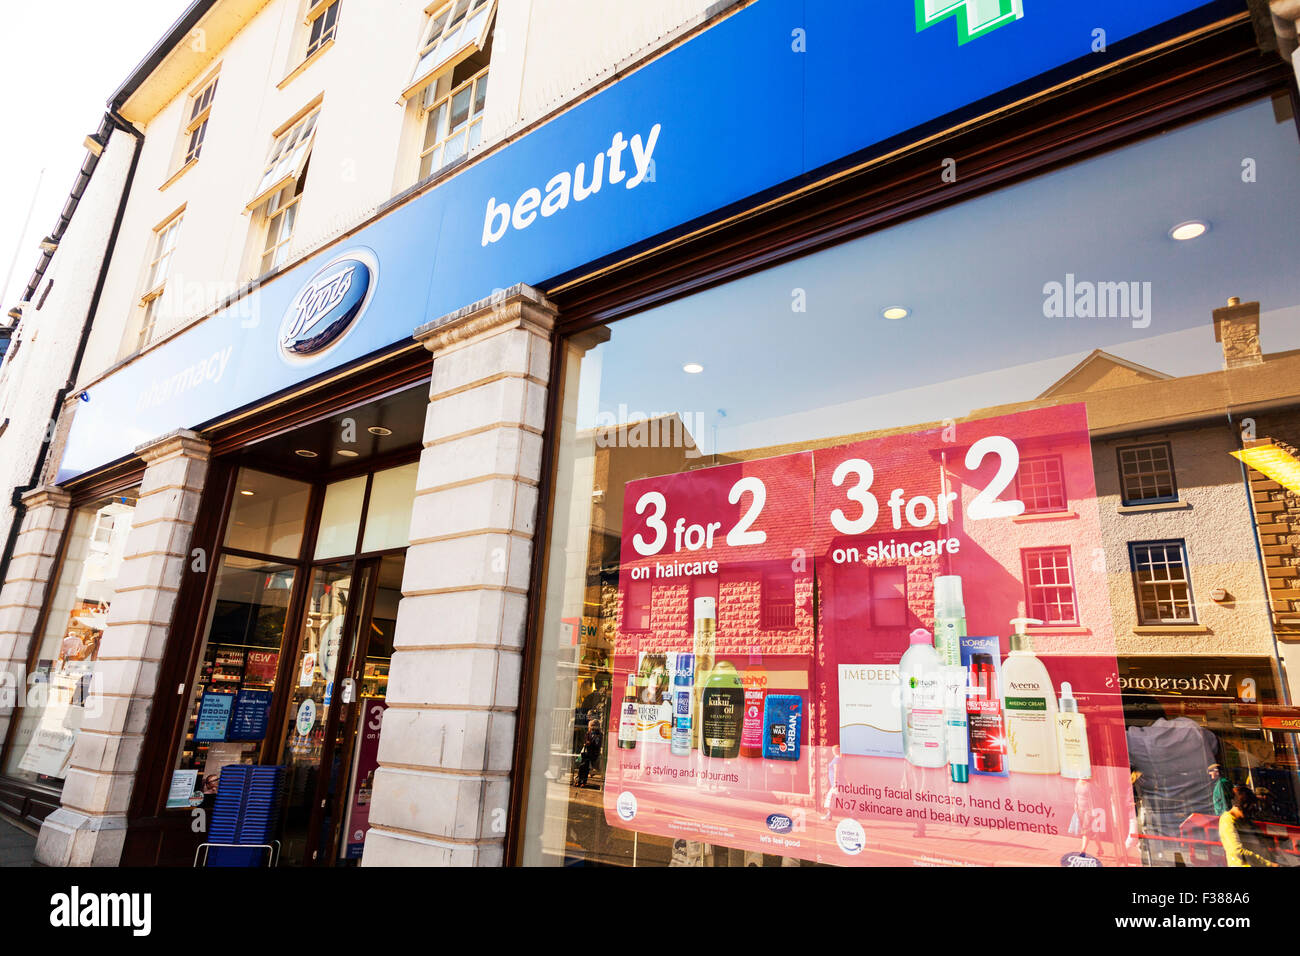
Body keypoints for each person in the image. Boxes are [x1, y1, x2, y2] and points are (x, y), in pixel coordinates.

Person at [1219, 786, 1278, 867]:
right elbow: (1237, 851)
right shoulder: (1227, 820)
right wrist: (1269, 864)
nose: (1251, 812)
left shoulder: (1246, 821)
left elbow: (1261, 843)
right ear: (1244, 806)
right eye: (1250, 808)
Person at [575, 719, 603, 788]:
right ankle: (581, 780)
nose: (592, 728)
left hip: (593, 754)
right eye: (591, 726)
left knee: (584, 764)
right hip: (586, 753)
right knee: (583, 765)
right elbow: (585, 741)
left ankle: (581, 780)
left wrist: (590, 743)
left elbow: (597, 744)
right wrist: (587, 743)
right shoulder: (588, 733)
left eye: (594, 726)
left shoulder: (599, 734)